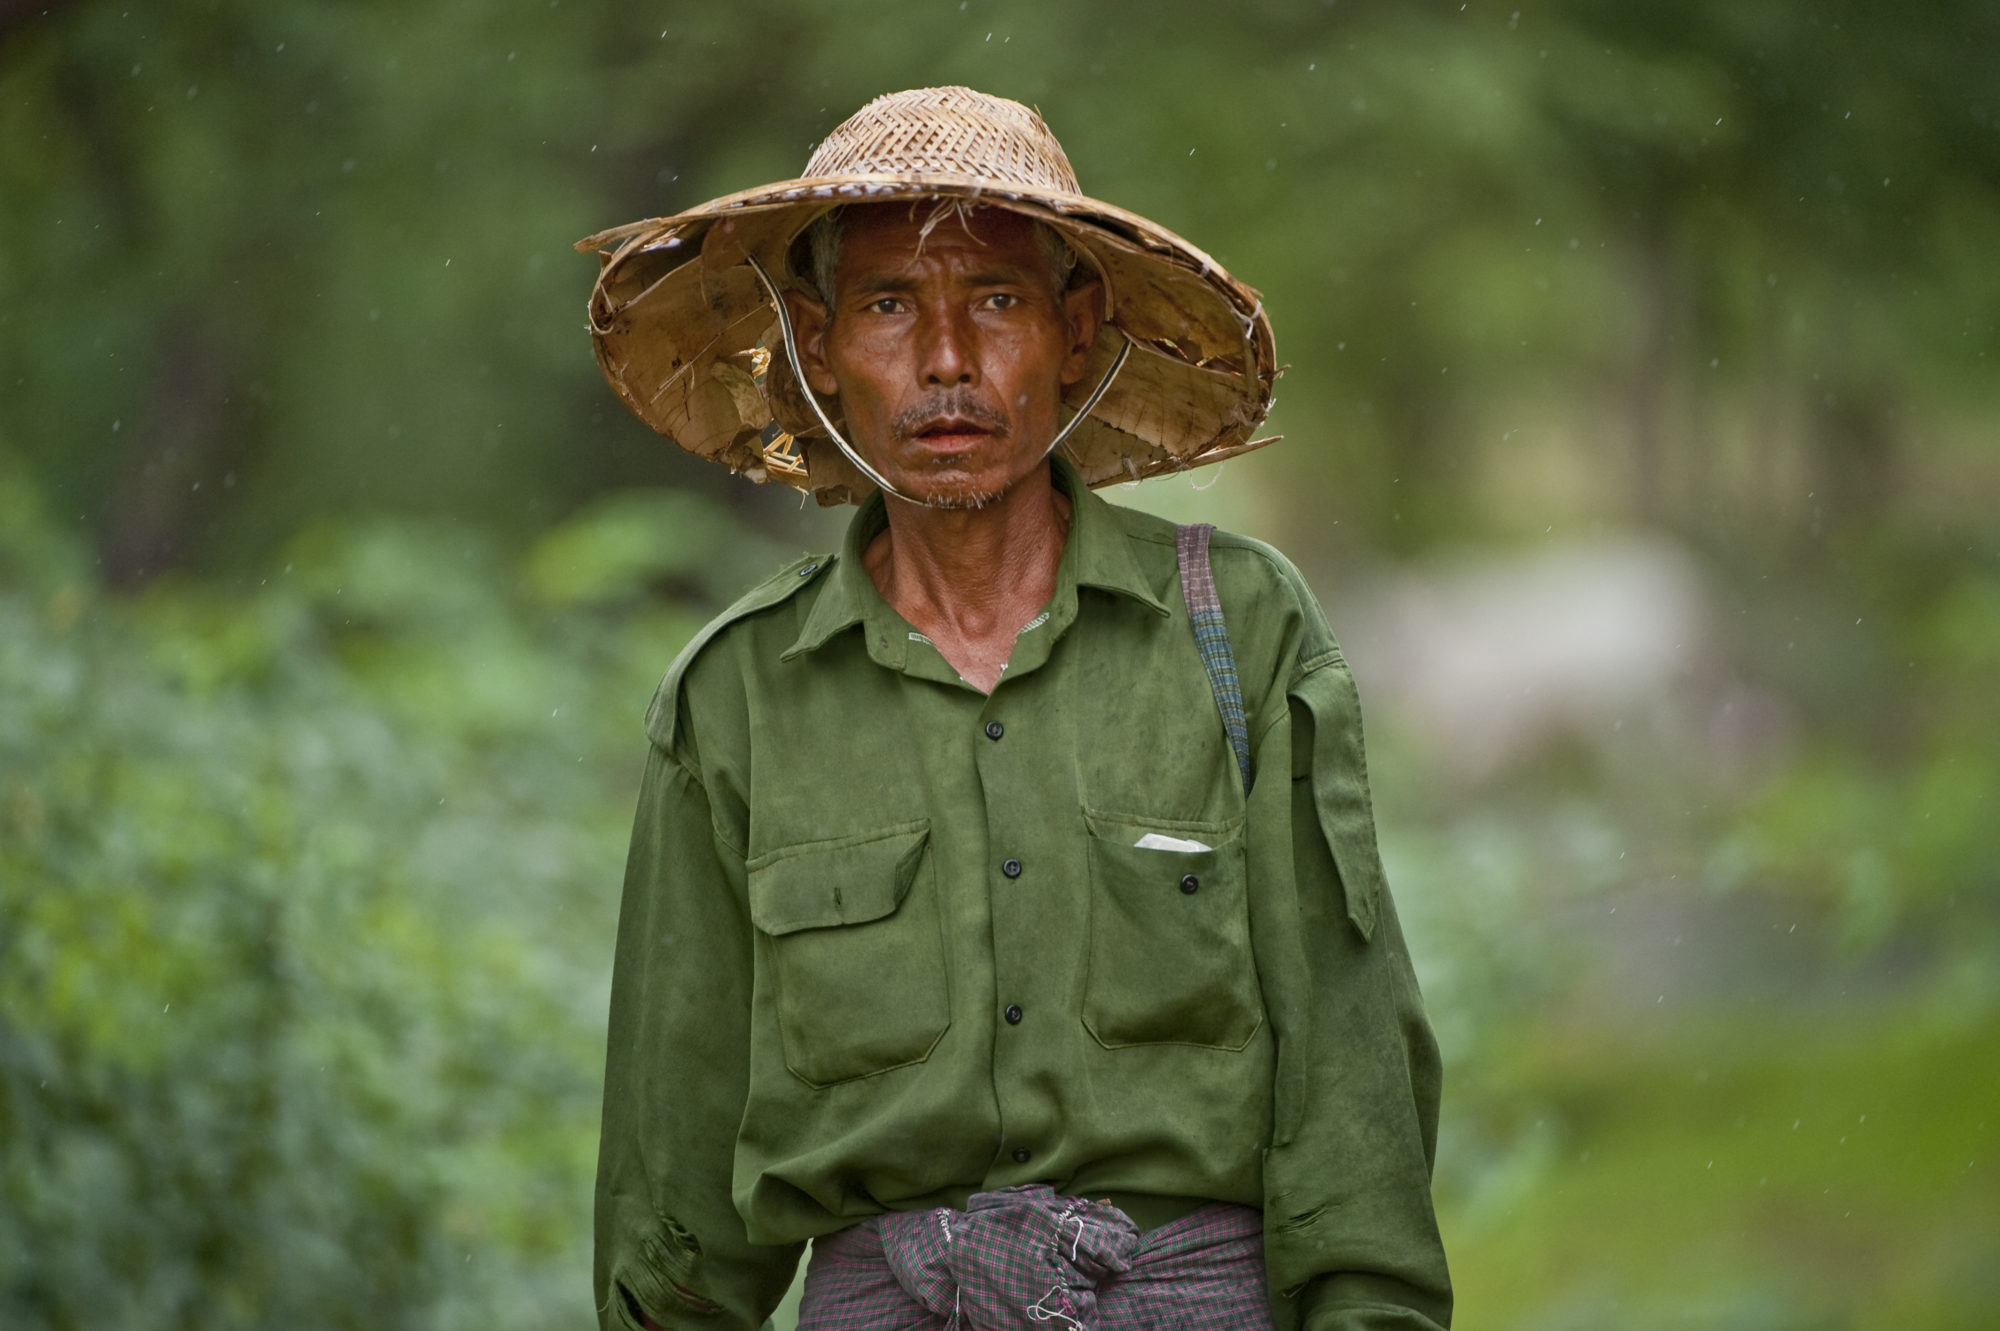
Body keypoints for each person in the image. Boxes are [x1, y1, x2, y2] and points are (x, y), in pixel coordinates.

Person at [576, 86, 1450, 1331]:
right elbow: (672, 1164)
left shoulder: (1236, 630)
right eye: (888, 306)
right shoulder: (741, 694)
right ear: (817, 348)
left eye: (994, 300)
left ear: (1074, 333)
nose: (945, 360)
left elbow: (1350, 1075)